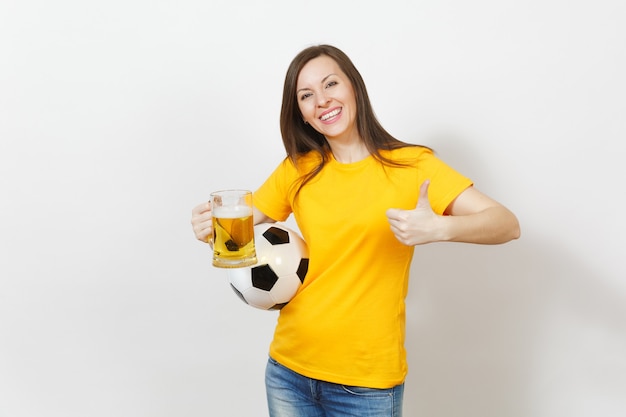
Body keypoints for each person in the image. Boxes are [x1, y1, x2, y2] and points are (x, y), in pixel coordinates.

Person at [191, 44, 520, 417]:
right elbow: (237, 228)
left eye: (331, 84)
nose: (322, 101)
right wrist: (207, 227)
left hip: (365, 383)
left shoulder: (412, 165)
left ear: (354, 87)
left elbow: (506, 224)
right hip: (289, 369)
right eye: (306, 95)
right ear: (300, 111)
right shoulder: (300, 168)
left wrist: (439, 228)